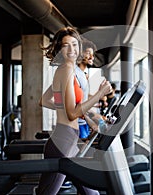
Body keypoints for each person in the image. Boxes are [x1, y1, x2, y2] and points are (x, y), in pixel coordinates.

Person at [36, 26, 112, 195]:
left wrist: (87, 117)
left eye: (74, 44)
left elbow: (45, 100)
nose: (71, 50)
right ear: (59, 49)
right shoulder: (67, 70)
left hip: (70, 140)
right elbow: (72, 113)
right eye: (65, 45)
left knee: (91, 192)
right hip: (63, 141)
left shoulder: (64, 70)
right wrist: (100, 94)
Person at [75, 38, 97, 139]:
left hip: (83, 120)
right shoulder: (75, 74)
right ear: (80, 53)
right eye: (88, 53)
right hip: (77, 123)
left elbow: (81, 95)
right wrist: (99, 94)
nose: (92, 57)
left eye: (92, 54)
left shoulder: (84, 74)